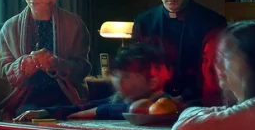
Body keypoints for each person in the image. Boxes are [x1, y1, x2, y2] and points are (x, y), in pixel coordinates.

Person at [0, 0, 91, 119]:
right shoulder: (10, 28)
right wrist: (24, 65)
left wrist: (56, 63)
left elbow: (82, 69)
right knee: (26, 116)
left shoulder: (73, 24)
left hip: (66, 97)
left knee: (65, 115)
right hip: (25, 98)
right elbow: (5, 73)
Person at [132, 0, 226, 102]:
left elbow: (215, 78)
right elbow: (137, 71)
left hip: (198, 104)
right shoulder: (143, 22)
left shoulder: (213, 23)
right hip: (151, 103)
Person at [19, 42, 173, 121]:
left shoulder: (163, 104)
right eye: (117, 75)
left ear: (152, 82)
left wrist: (97, 111)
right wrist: (46, 112)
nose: (118, 81)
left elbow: (132, 110)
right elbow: (84, 107)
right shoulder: (120, 98)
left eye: (126, 76)